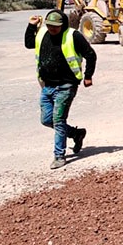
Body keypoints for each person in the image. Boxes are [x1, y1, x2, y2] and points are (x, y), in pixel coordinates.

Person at [24, 9, 96, 170]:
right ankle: (76, 134)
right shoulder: (42, 34)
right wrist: (31, 26)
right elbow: (29, 44)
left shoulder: (73, 36)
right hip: (47, 85)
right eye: (49, 25)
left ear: (63, 24)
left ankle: (59, 155)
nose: (52, 29)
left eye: (55, 26)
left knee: (58, 120)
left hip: (66, 85)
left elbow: (90, 55)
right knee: (46, 120)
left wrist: (88, 76)